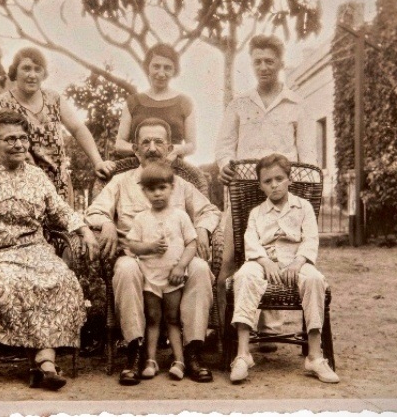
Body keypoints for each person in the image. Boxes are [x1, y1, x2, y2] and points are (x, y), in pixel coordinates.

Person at [0, 110, 100, 391]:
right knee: (17, 283)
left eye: (23, 138)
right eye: (10, 139)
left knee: (62, 279)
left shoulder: (37, 176)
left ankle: (42, 365)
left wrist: (83, 230)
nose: (19, 145)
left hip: (34, 250)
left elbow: (60, 211)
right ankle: (45, 363)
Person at [86, 117, 220, 385]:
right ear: (135, 150)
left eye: (159, 142)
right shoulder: (120, 182)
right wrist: (107, 223)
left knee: (200, 267)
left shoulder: (180, 184)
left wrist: (203, 228)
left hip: (176, 265)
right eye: (145, 142)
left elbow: (209, 211)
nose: (152, 148)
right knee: (125, 268)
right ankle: (134, 352)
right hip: (137, 260)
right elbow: (94, 211)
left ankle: (193, 351)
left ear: (169, 147)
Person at [214, 34, 315, 343]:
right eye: (257, 61)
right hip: (243, 191)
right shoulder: (239, 104)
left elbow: (308, 156)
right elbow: (224, 148)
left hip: (281, 191)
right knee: (230, 259)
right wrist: (225, 165)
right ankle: (227, 332)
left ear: (280, 63)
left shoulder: (297, 105)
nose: (263, 67)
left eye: (269, 61)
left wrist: (299, 194)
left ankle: (269, 329)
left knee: (277, 252)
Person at [229, 154, 339, 384]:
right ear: (260, 185)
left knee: (315, 279)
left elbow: (310, 238)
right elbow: (251, 240)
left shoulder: (303, 207)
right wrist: (264, 261)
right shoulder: (257, 212)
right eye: (267, 181)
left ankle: (315, 355)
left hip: (296, 261)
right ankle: (242, 354)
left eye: (279, 179)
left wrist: (298, 262)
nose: (274, 185)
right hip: (263, 261)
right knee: (244, 276)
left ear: (289, 179)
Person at [0, 47, 115, 201]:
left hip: (59, 186)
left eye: (38, 69)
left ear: (43, 74)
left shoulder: (54, 99)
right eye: (26, 68)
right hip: (21, 188)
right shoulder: (1, 104)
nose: (32, 75)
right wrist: (19, 159)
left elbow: (78, 129)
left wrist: (98, 162)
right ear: (15, 72)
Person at [127, 162, 198, 380]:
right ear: (144, 191)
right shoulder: (141, 218)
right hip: (150, 276)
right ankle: (151, 360)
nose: (157, 193)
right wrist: (149, 247)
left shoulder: (180, 216)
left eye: (162, 188)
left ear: (171, 188)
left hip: (173, 277)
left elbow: (191, 243)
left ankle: (179, 361)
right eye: (151, 189)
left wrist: (181, 266)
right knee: (153, 318)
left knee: (173, 318)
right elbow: (132, 245)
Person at [114, 43, 197, 161]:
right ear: (148, 67)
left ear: (174, 70)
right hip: (139, 166)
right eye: (156, 66)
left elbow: (192, 145)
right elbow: (119, 144)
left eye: (167, 68)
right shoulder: (133, 102)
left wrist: (175, 149)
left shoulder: (184, 102)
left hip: (172, 165)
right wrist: (141, 149)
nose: (161, 73)